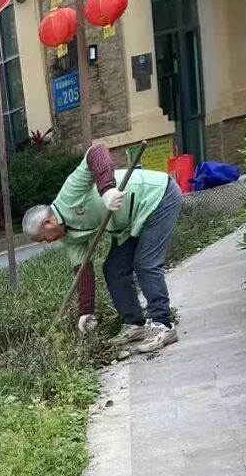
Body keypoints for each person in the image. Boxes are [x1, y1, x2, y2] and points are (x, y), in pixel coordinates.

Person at [22, 143, 185, 355]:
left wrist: (107, 190)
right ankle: (135, 324)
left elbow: (97, 151)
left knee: (146, 264)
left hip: (157, 197)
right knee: (114, 269)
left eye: (44, 238)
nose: (49, 242)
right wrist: (86, 311)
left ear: (48, 223)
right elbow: (83, 273)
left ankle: (163, 325)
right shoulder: (69, 238)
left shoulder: (69, 194)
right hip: (129, 222)